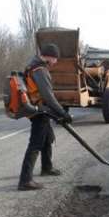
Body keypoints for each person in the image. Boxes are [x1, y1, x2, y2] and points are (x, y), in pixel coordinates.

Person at [18, 43, 72, 191]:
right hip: (39, 111)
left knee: (48, 138)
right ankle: (25, 180)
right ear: (49, 56)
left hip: (42, 109)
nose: (55, 62)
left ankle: (47, 167)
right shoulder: (40, 70)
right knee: (35, 145)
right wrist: (62, 112)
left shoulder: (33, 66)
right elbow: (47, 95)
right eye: (55, 59)